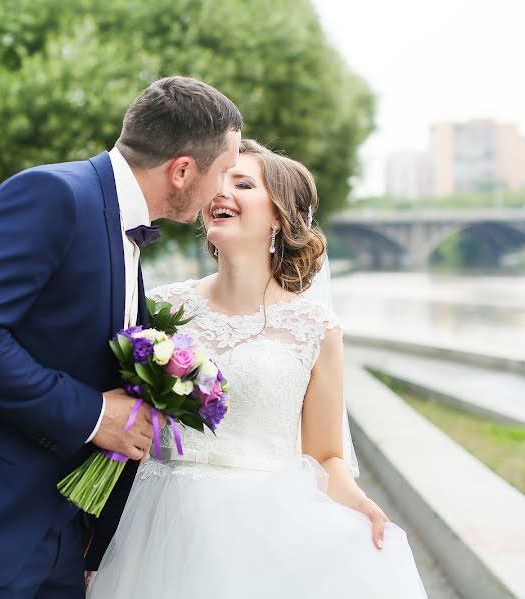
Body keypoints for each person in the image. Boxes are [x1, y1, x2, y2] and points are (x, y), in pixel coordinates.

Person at [0, 76, 243, 597]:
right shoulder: (53, 195)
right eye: (223, 171)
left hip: (56, 525)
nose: (223, 190)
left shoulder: (124, 230)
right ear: (181, 170)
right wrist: (92, 415)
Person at [87, 140, 428, 598]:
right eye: (219, 180)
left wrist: (357, 502)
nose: (221, 191)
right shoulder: (160, 306)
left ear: (279, 218)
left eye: (243, 183)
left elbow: (326, 454)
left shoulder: (315, 329)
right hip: (156, 523)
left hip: (261, 534)